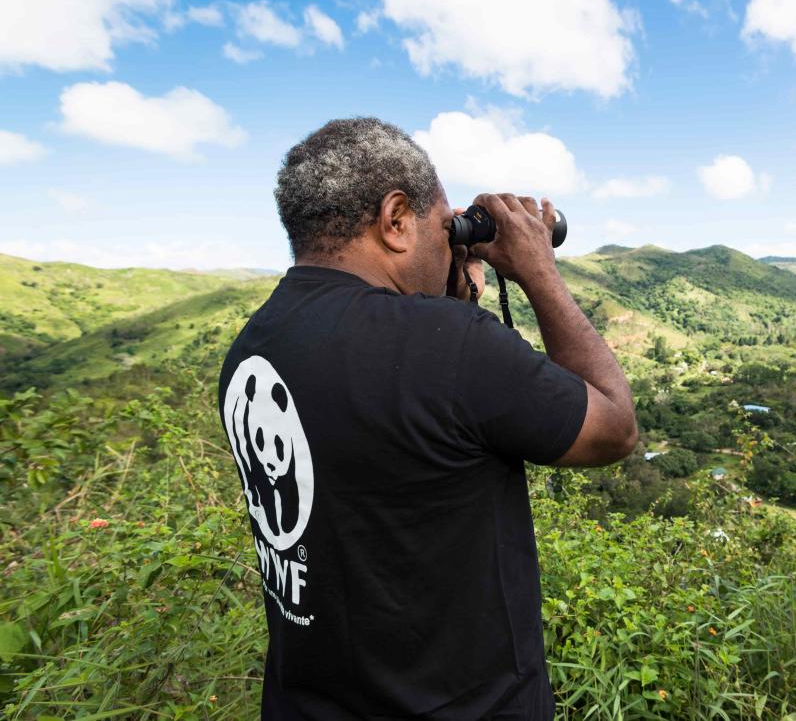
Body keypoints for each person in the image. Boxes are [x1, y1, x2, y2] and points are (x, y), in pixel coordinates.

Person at [217, 117, 637, 720]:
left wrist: (453, 294)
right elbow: (615, 428)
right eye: (444, 228)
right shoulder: (451, 347)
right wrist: (538, 267)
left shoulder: (254, 349)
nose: (452, 245)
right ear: (395, 220)